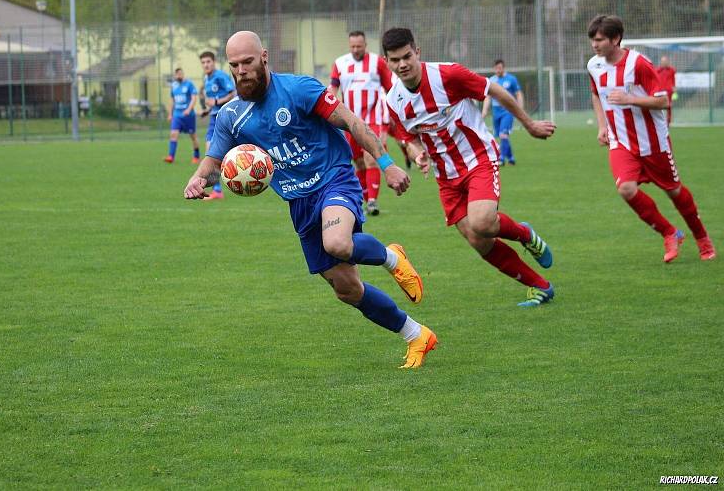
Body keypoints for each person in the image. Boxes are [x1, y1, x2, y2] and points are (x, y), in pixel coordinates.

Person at [184, 31, 437, 368]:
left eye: (248, 62)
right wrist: (199, 179)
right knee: (348, 289)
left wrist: (387, 164)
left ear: (264, 56)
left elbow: (350, 121)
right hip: (299, 202)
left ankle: (391, 258)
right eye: (235, 65)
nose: (242, 70)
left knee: (337, 243)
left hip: (334, 179)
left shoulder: (298, 89)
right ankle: (416, 335)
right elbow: (214, 162)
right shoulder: (231, 116)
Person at [382, 27, 557, 307]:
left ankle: (525, 234)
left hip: (478, 159)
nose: (402, 64)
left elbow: (495, 90)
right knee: (479, 241)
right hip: (445, 177)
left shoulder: (447, 75)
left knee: (483, 222)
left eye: (406, 56)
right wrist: (417, 155)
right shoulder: (393, 100)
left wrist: (529, 124)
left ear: (417, 52)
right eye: (394, 60)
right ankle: (540, 286)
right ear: (387, 62)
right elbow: (407, 137)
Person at [586, 15, 715, 262]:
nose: (594, 44)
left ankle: (702, 238)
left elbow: (663, 101)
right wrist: (602, 126)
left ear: (615, 39)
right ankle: (669, 232)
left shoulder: (639, 64)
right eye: (592, 39)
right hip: (621, 142)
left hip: (653, 143)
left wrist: (629, 99)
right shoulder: (594, 65)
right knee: (625, 189)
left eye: (599, 39)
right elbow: (596, 94)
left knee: (674, 192)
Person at [329, 31, 394, 216]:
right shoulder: (340, 63)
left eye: (359, 46)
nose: (356, 49)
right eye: (353, 47)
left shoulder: (377, 62)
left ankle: (373, 201)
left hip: (373, 119)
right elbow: (333, 90)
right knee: (358, 163)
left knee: (370, 158)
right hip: (349, 121)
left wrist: (387, 121)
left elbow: (390, 89)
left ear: (366, 45)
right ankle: (366, 200)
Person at [199, 51, 237, 200]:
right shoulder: (206, 79)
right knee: (210, 153)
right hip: (214, 117)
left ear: (213, 62)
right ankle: (217, 190)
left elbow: (232, 93)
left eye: (208, 61)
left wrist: (216, 102)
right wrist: (207, 110)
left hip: (223, 118)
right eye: (203, 62)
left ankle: (217, 190)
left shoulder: (220, 76)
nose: (206, 65)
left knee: (212, 154)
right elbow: (213, 101)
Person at [481, 59, 523, 165]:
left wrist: (520, 109)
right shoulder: (492, 80)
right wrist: (484, 111)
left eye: (500, 68)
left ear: (503, 68)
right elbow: (488, 97)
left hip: (508, 111)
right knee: (501, 136)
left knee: (503, 134)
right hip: (496, 112)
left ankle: (501, 158)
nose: (498, 70)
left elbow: (518, 94)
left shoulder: (511, 79)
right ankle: (511, 157)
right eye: (496, 68)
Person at [164, 68, 199, 164]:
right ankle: (171, 156)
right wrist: (170, 114)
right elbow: (172, 101)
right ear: (175, 76)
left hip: (189, 116)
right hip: (177, 115)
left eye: (180, 74)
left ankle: (196, 156)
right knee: (173, 134)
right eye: (177, 74)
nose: (178, 75)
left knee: (193, 136)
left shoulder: (189, 84)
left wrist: (189, 109)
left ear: (183, 74)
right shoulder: (174, 86)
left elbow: (194, 98)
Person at [656, 56, 677, 125]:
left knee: (669, 106)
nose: (664, 62)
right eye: (662, 61)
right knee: (659, 106)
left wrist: (674, 87)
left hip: (669, 91)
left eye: (665, 61)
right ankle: (659, 121)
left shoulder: (671, 70)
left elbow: (673, 80)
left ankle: (668, 122)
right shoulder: (657, 70)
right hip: (660, 91)